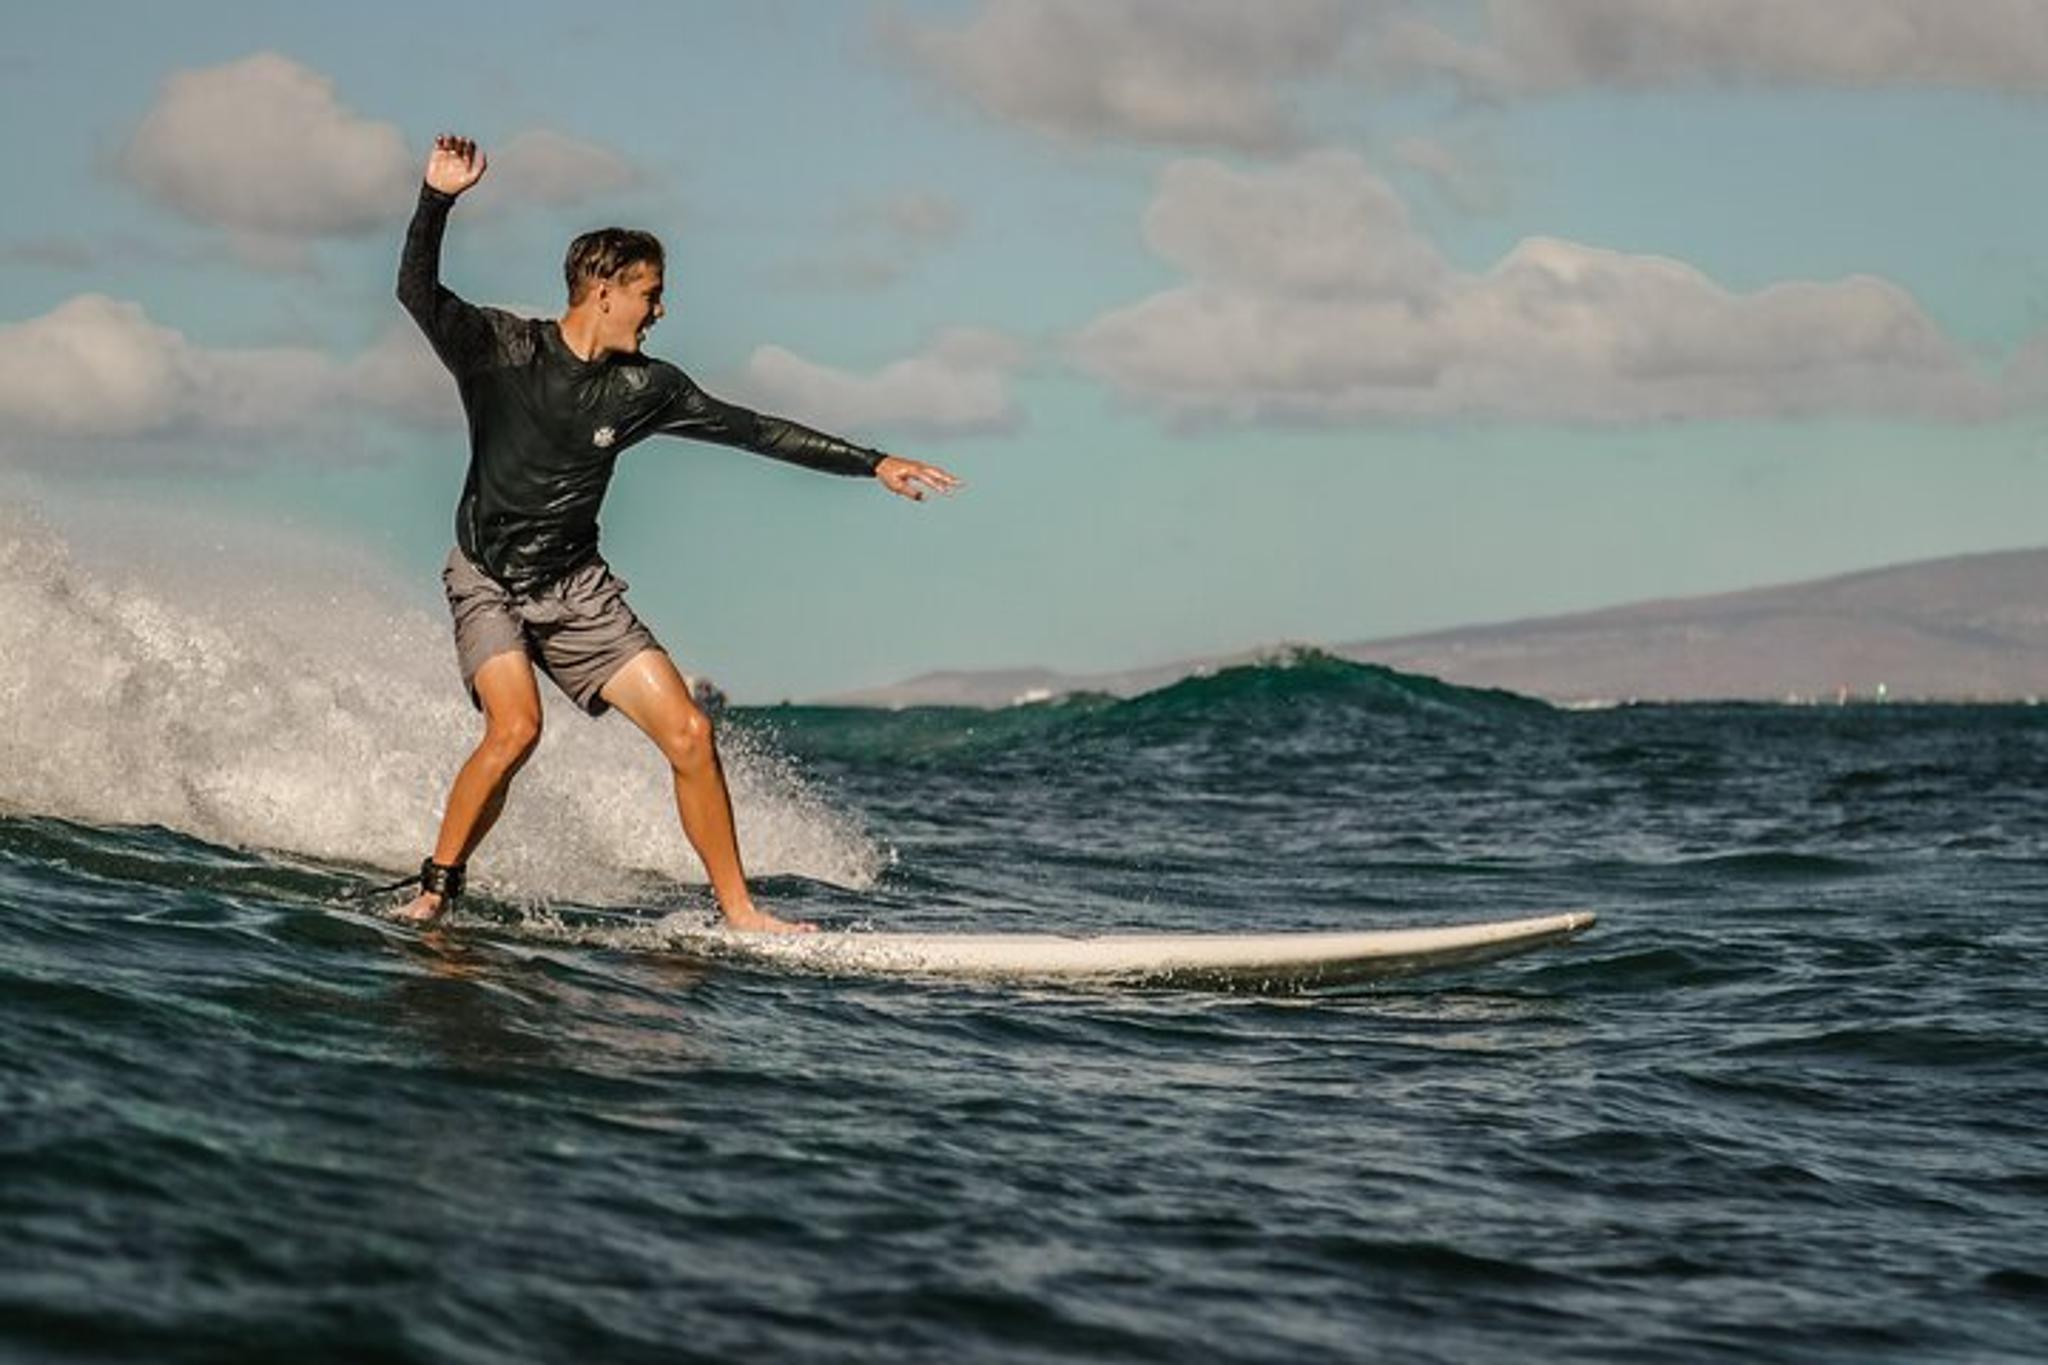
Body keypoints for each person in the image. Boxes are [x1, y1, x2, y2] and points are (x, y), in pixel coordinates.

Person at [390, 134, 958, 931]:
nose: (661, 309)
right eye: (650, 293)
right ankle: (436, 889)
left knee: (691, 731)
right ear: (602, 290)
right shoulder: (501, 350)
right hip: (488, 578)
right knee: (516, 726)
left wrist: (872, 463)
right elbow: (417, 290)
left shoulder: (644, 388)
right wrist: (436, 197)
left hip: (577, 586)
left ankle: (739, 910)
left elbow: (752, 429)